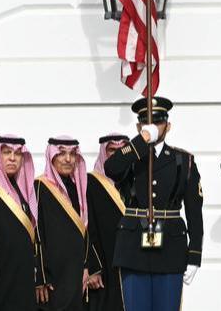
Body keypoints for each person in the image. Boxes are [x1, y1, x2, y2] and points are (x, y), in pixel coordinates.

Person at [103, 97, 203, 311]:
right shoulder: (130, 156)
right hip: (133, 251)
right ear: (138, 127)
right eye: (146, 122)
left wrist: (195, 254)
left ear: (168, 125)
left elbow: (194, 212)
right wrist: (142, 140)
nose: (153, 127)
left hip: (170, 249)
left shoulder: (184, 160)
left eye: (158, 122)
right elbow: (110, 168)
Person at [36, 137, 100, 311]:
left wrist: (87, 266)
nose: (68, 159)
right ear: (51, 157)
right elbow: (37, 234)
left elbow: (86, 229)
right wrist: (41, 277)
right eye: (62, 153)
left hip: (77, 272)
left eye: (72, 154)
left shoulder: (79, 187)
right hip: (53, 275)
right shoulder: (40, 187)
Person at [0, 135, 38, 311]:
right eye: (7, 152)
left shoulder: (22, 187)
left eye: (17, 154)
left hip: (23, 274)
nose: (12, 158)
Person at [86, 135, 130, 311]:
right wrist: (93, 267)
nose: (117, 154)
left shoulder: (135, 180)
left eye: (122, 150)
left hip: (132, 261)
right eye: (112, 150)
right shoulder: (90, 182)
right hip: (104, 262)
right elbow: (86, 227)